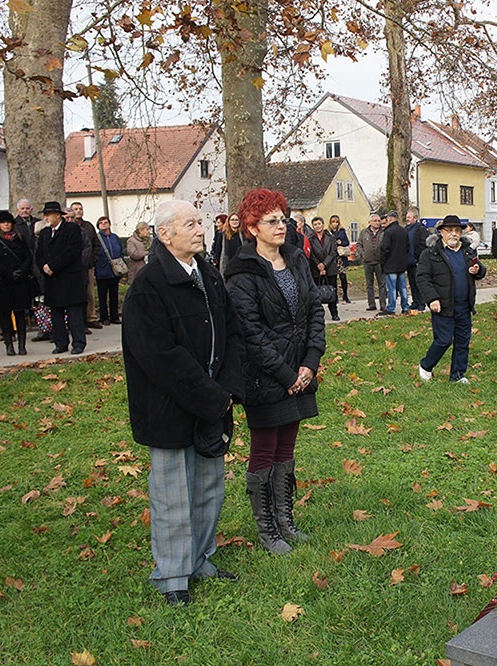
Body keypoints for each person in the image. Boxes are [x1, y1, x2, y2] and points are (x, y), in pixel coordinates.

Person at [121, 200, 245, 607]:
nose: (200, 229)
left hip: (212, 403)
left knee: (209, 487)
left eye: (200, 222)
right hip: (170, 408)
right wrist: (212, 396)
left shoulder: (207, 274)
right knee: (173, 495)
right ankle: (173, 574)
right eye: (190, 224)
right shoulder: (148, 286)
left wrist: (225, 389)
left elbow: (230, 332)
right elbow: (160, 357)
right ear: (164, 234)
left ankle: (201, 559)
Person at [224, 189, 326, 555]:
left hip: (300, 370)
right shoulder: (241, 273)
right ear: (252, 227)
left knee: (287, 448)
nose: (281, 225)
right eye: (272, 220)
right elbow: (250, 333)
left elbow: (315, 309)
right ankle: (267, 530)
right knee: (264, 450)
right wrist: (286, 375)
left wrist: (310, 363)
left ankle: (285, 520)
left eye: (282, 218)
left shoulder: (297, 260)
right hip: (265, 376)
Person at [417, 215, 486, 384]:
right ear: (441, 233)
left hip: (464, 305)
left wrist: (478, 270)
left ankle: (457, 375)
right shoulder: (430, 253)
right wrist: (432, 298)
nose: (454, 234)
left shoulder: (468, 251)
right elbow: (422, 278)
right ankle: (426, 365)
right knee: (444, 340)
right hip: (443, 305)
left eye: (457, 230)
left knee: (463, 341)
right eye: (449, 231)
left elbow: (480, 270)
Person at [35, 201, 88, 355]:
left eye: (48, 215)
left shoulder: (71, 229)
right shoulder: (44, 233)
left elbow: (71, 252)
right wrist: (44, 266)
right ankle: (61, 343)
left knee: (74, 314)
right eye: (44, 215)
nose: (46, 218)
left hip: (69, 278)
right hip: (52, 280)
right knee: (56, 314)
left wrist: (53, 266)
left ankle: (78, 343)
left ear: (58, 215)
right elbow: (38, 253)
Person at [0, 211, 34, 355]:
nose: (6, 225)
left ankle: (22, 345)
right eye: (3, 223)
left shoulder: (20, 238)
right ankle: (9, 344)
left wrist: (21, 271)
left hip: (20, 281)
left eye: (8, 222)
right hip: (3, 282)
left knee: (20, 313)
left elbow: (28, 257)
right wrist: (8, 273)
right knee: (4, 314)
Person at [71, 202, 104, 330]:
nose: (78, 211)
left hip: (88, 265)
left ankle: (91, 317)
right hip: (73, 266)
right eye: (76, 209)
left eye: (80, 209)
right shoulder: (69, 226)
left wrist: (92, 260)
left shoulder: (88, 226)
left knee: (89, 293)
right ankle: (79, 320)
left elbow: (96, 244)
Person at [308, 215, 340, 321]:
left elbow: (333, 252)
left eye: (319, 224)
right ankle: (318, 315)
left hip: (330, 268)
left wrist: (324, 264)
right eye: (315, 225)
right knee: (317, 293)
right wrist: (319, 265)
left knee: (332, 291)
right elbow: (311, 254)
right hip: (316, 269)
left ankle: (334, 313)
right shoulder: (310, 239)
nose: (317, 226)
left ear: (323, 224)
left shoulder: (331, 238)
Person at [379, 210, 410, 315]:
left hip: (390, 264)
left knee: (391, 288)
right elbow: (407, 247)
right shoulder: (403, 231)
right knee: (403, 287)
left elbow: (385, 249)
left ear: (390, 219)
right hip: (401, 263)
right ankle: (405, 307)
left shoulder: (388, 232)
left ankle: (391, 308)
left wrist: (383, 262)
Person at [95, 216, 124, 324]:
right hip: (102, 270)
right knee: (102, 295)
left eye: (106, 222)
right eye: (101, 223)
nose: (104, 224)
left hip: (114, 270)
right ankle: (104, 317)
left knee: (114, 294)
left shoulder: (115, 237)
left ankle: (114, 316)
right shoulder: (97, 238)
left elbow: (120, 250)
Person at [358, 211, 386, 310]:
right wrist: (363, 254)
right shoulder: (363, 232)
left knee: (382, 284)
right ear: (370, 222)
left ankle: (383, 304)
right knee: (369, 284)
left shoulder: (383, 232)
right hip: (368, 261)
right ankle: (371, 304)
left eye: (378, 221)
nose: (377, 223)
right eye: (375, 221)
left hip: (379, 262)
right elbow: (359, 245)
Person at [404, 207, 430, 311]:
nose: (407, 219)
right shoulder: (406, 229)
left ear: (415, 218)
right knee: (412, 283)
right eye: (406, 217)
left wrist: (417, 255)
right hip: (408, 261)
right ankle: (415, 301)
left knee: (419, 283)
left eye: (409, 217)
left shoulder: (420, 229)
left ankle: (421, 303)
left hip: (417, 261)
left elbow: (424, 244)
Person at [329, 215, 352, 303]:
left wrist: (340, 242)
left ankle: (345, 295)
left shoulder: (342, 232)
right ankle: (335, 297)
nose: (335, 224)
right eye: (333, 222)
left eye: (336, 222)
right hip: (333, 258)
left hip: (341, 257)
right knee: (333, 279)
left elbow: (346, 242)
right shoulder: (329, 232)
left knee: (343, 277)